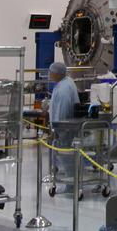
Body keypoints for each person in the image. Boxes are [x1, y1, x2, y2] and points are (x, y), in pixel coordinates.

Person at [47, 62, 79, 193]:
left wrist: (56, 129)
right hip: (67, 127)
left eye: (50, 72)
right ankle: (71, 181)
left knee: (65, 155)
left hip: (63, 128)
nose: (49, 74)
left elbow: (62, 110)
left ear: (57, 73)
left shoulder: (63, 89)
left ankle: (70, 184)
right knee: (67, 155)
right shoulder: (67, 82)